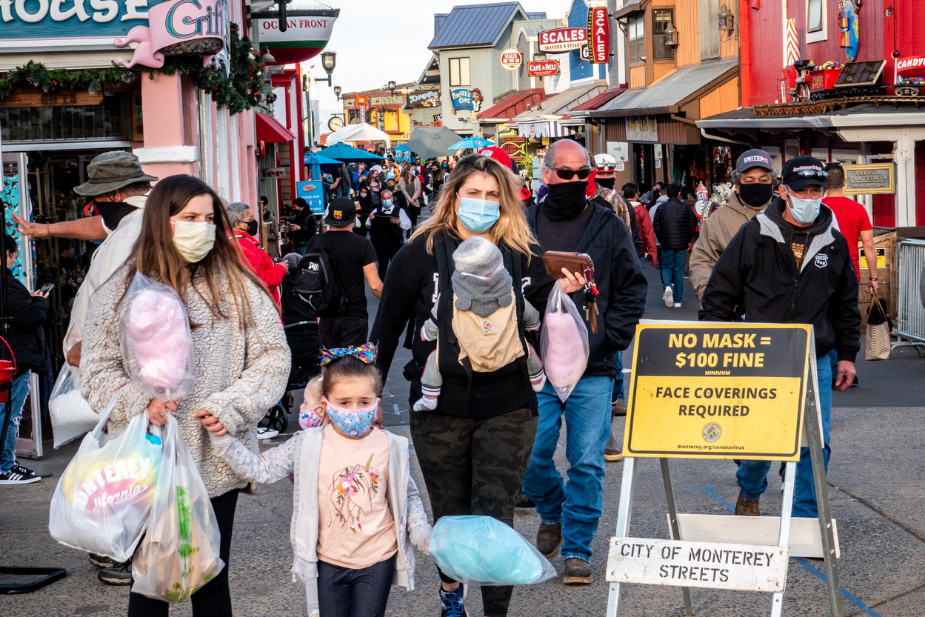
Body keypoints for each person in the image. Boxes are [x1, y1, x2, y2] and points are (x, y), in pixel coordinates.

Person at [80, 174, 290, 607]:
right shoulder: (120, 290)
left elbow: (272, 356)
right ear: (163, 220)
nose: (202, 227)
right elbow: (96, 371)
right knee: (149, 587)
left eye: (209, 219)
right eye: (190, 217)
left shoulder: (238, 285)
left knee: (211, 581)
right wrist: (141, 402)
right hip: (146, 461)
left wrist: (231, 407)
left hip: (216, 457)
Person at [370, 154, 539, 617]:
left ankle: (496, 612)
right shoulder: (421, 251)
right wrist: (370, 394)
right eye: (474, 193)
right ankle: (451, 596)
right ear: (454, 197)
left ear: (505, 201)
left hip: (508, 405)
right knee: (450, 515)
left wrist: (573, 292)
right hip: (438, 408)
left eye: (492, 195)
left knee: (495, 519)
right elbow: (386, 328)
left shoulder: (521, 252)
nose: (483, 202)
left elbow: (545, 320)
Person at [210, 347, 431, 617]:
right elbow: (261, 468)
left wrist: (421, 532)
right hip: (328, 561)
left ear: (376, 401)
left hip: (377, 560)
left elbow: (408, 496)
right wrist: (223, 441)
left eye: (364, 402)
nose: (354, 410)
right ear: (326, 403)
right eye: (344, 402)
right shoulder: (308, 444)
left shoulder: (391, 445)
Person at [700, 155, 860, 519]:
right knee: (759, 442)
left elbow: (845, 304)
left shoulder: (834, 241)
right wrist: (712, 343)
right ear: (784, 191)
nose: (809, 197)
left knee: (814, 444)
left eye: (816, 190)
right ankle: (750, 489)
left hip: (814, 355)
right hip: (760, 353)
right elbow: (721, 291)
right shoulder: (755, 233)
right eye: (801, 190)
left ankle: (805, 522)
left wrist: (848, 355)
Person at [521, 140, 647, 585]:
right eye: (566, 173)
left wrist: (609, 338)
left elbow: (633, 286)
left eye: (582, 173)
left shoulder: (607, 225)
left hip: (592, 367)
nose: (575, 181)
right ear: (546, 175)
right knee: (530, 455)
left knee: (587, 462)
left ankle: (577, 548)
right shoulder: (521, 225)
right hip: (533, 364)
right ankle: (552, 510)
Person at [413, 236, 546, 411]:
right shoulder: (512, 295)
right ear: (498, 265)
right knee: (527, 350)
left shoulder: (450, 299)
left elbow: (436, 322)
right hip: (506, 355)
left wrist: (426, 333)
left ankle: (430, 398)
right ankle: (537, 380)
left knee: (434, 359)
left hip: (465, 358)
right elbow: (530, 314)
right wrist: (533, 325)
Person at [62, 152, 157, 370]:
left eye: (96, 196)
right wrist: (46, 230)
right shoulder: (140, 219)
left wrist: (88, 345)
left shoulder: (129, 233)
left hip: (105, 363)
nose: (94, 203)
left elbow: (121, 302)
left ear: (114, 195)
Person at [689, 150, 775, 302]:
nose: (757, 185)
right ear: (738, 185)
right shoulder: (718, 219)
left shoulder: (785, 215)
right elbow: (702, 260)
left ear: (772, 184)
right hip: (734, 309)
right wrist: (707, 296)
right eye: (749, 180)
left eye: (763, 180)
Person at [0, 235, 48, 485]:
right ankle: (5, 467)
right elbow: (31, 316)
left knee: (6, 412)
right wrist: (39, 300)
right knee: (9, 413)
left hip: (9, 357)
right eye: (14, 256)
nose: (14, 261)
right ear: (5, 254)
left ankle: (7, 463)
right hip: (13, 359)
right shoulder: (5, 283)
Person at [310, 198, 382, 348]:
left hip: (324, 314)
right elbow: (375, 286)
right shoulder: (362, 244)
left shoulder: (315, 242)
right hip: (354, 315)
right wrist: (392, 299)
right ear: (354, 218)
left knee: (328, 361)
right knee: (351, 362)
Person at [226, 201, 287, 306]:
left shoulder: (230, 240)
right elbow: (261, 280)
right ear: (237, 224)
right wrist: (280, 268)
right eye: (250, 219)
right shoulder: (243, 245)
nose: (254, 222)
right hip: (259, 304)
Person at [653, 184, 698, 308]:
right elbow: (692, 225)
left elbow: (656, 225)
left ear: (667, 194)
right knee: (678, 271)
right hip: (682, 243)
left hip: (666, 242)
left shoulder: (661, 208)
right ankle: (678, 301)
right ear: (679, 194)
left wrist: (661, 239)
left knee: (666, 267)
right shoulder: (686, 208)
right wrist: (687, 239)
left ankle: (667, 286)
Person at [365, 188, 411, 280]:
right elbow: (367, 225)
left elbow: (408, 225)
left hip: (396, 244)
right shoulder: (376, 211)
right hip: (381, 245)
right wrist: (370, 219)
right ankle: (381, 286)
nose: (386, 200)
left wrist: (398, 223)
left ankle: (396, 285)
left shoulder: (399, 211)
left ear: (392, 199)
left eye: (388, 198)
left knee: (397, 267)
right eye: (384, 198)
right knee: (382, 268)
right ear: (381, 200)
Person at [623, 183, 658, 270]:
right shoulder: (642, 210)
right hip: (639, 248)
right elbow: (648, 232)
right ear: (636, 194)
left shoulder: (620, 208)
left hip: (622, 248)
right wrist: (653, 254)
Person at [399, 165, 422, 232]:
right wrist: (409, 199)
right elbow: (403, 190)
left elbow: (418, 189)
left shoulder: (416, 178)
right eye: (412, 169)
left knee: (414, 218)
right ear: (408, 171)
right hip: (407, 201)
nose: (413, 171)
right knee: (408, 217)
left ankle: (414, 232)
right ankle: (408, 232)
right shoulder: (402, 179)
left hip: (415, 201)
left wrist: (413, 198)